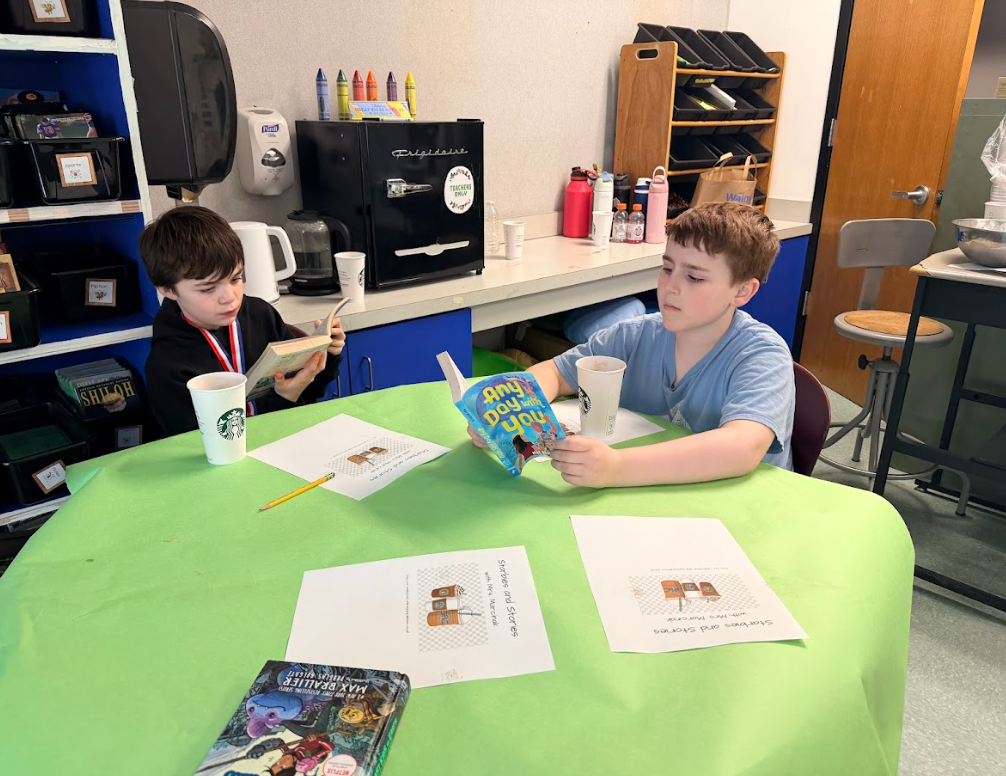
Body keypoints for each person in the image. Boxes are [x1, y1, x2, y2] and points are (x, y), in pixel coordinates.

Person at [468, 202, 795, 487]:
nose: (670, 286)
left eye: (694, 277)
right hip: (654, 496)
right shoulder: (634, 335)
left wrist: (616, 468)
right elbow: (554, 372)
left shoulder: (762, 354)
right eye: (667, 268)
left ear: (742, 292)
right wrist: (509, 413)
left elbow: (740, 447)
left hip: (741, 512)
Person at [141, 206, 345, 436]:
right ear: (168, 290)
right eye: (208, 288)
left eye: (236, 278)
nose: (230, 297)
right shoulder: (167, 366)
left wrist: (328, 356)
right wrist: (284, 399)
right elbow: (204, 448)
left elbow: (310, 393)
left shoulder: (260, 313)